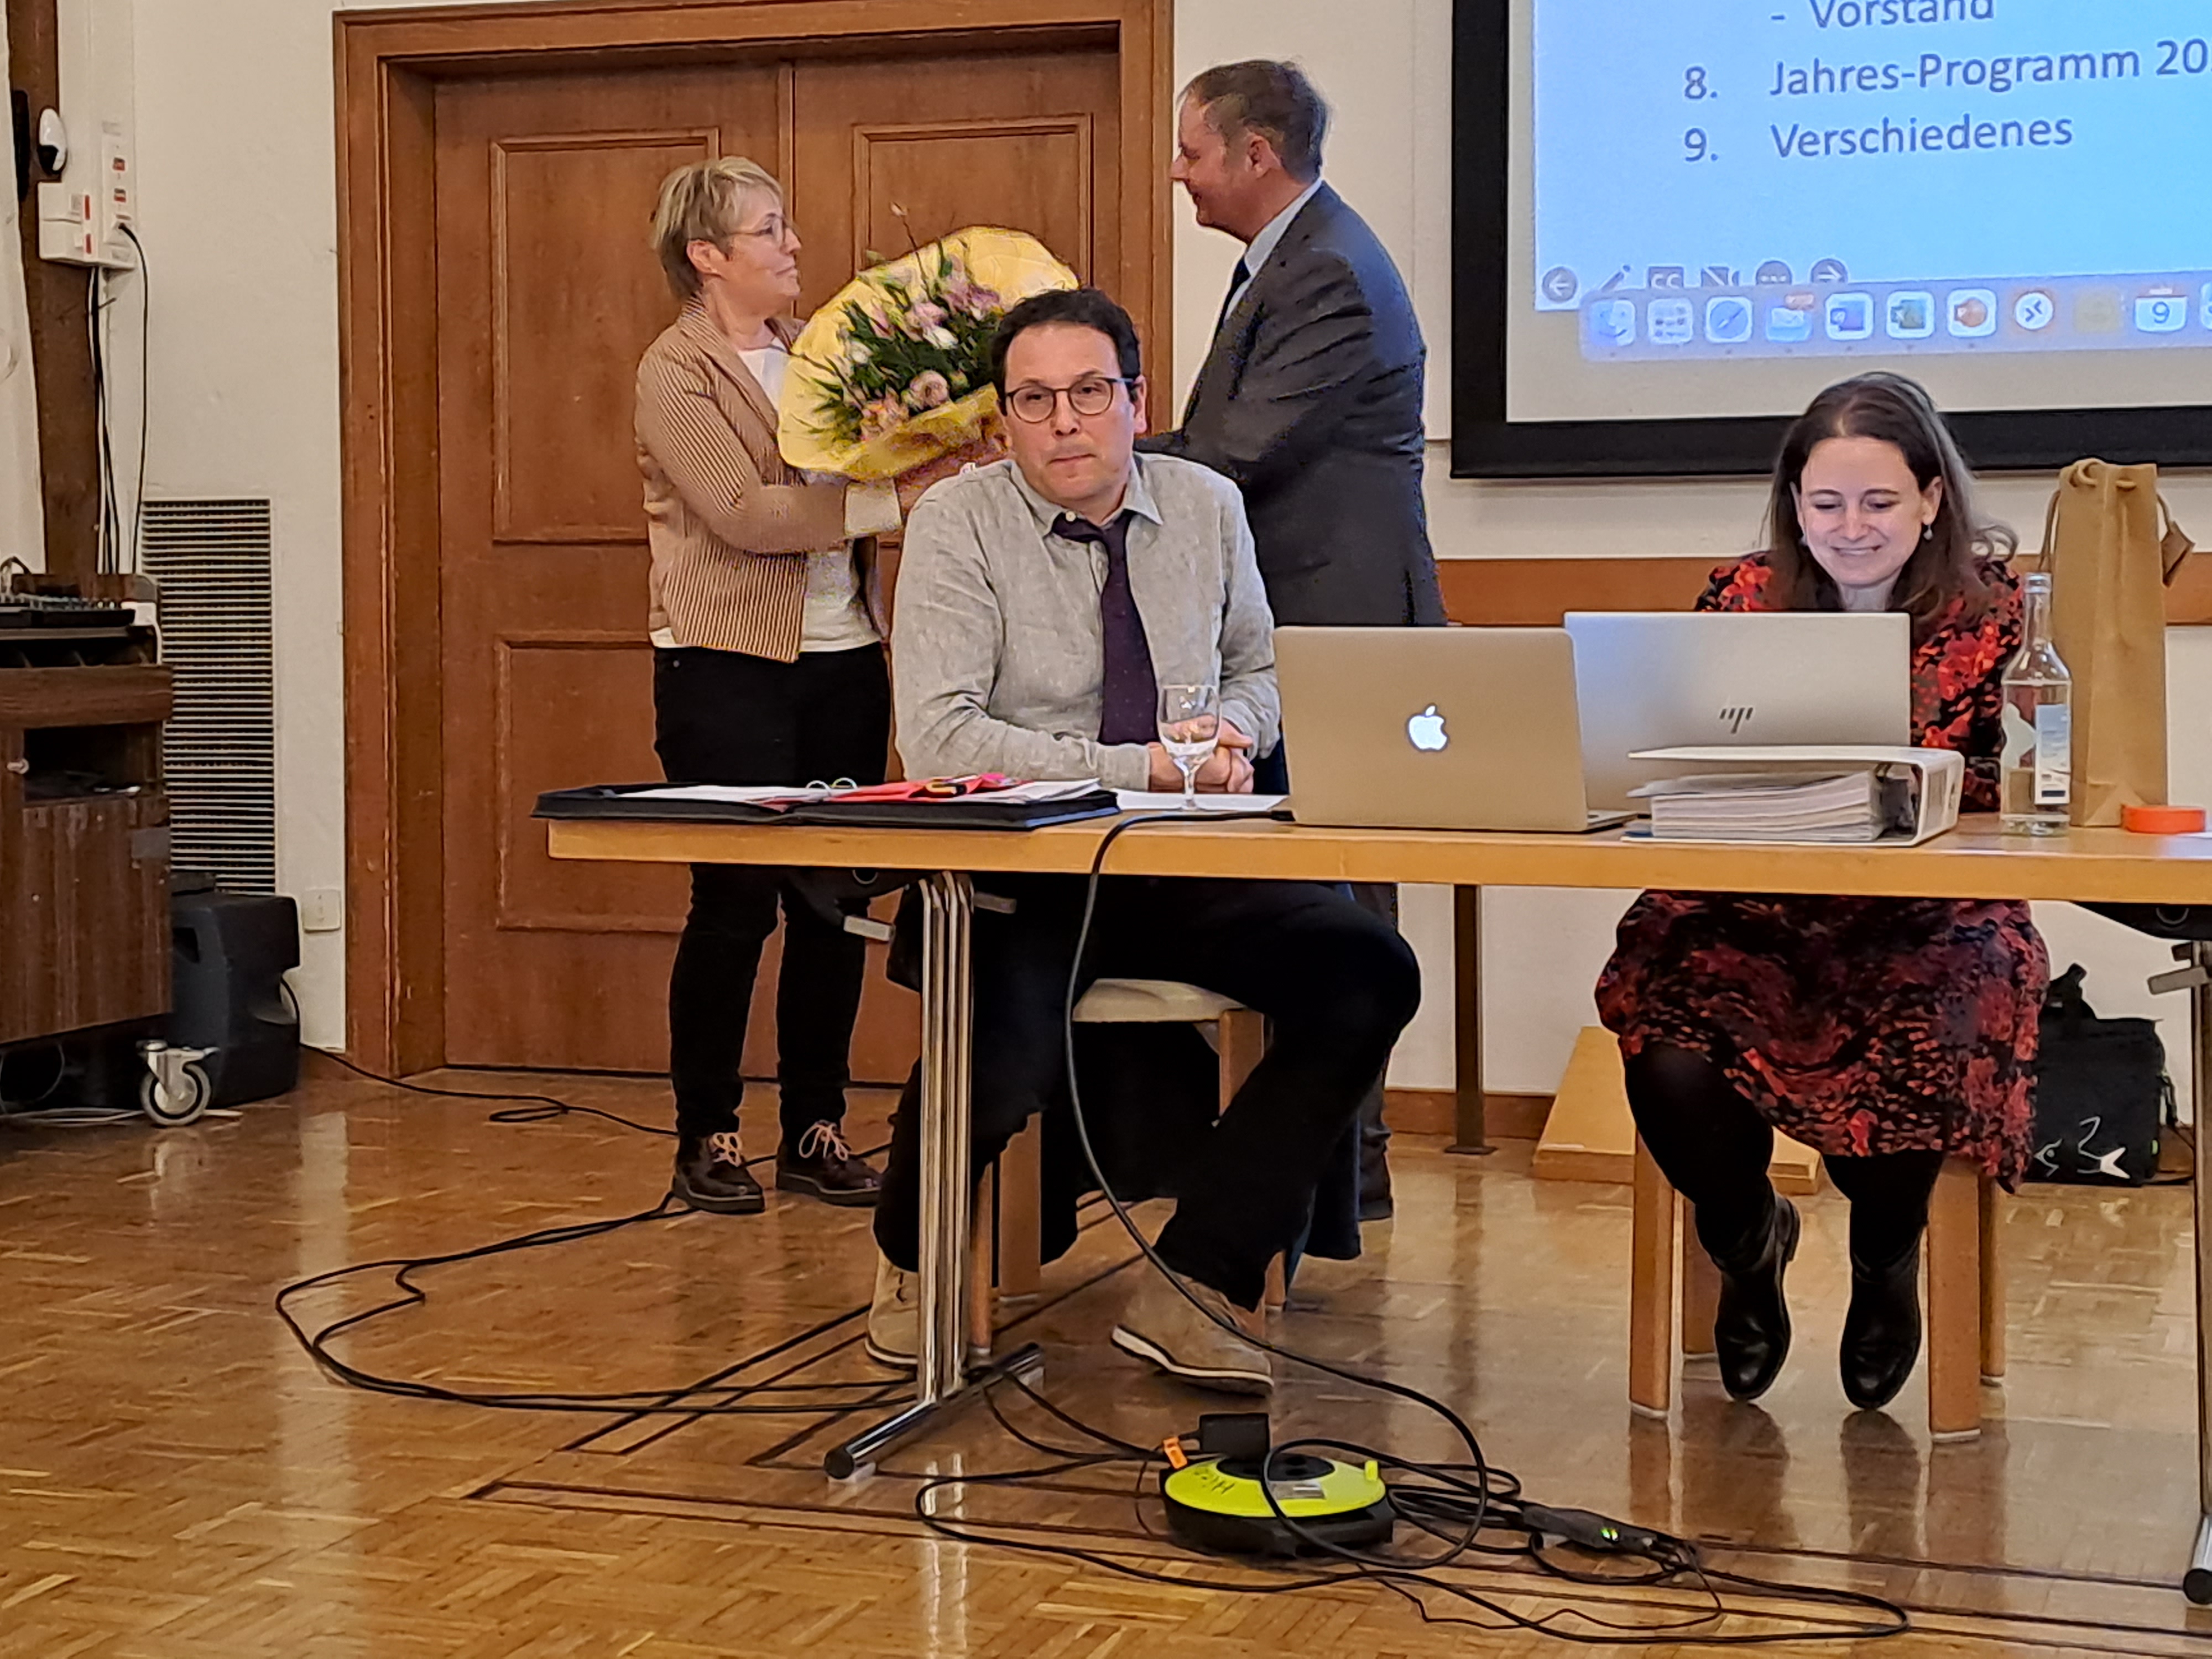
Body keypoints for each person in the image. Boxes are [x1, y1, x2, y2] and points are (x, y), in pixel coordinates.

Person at [870, 287, 1422, 1393]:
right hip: (1022, 869)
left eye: (1089, 393)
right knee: (999, 1054)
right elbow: (940, 738)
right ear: (1004, 418)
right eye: (1034, 401)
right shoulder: (956, 523)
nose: (1064, 422)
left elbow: (1260, 668)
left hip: (1182, 858)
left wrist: (1237, 731)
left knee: (1366, 972)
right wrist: (1147, 766)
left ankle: (1200, 1276)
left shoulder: (1207, 505)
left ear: (1137, 400)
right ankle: (911, 1256)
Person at [1595, 373, 2048, 1412]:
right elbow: (1678, 746)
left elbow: (2024, 784)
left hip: (1929, 914)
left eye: (1879, 502)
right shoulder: (1741, 599)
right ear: (1794, 506)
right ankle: (1747, 1241)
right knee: (1664, 1031)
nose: (1851, 528)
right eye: (1826, 503)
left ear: (1931, 498)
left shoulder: (1998, 617)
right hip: (1749, 903)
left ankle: (1887, 1257)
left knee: (1942, 1017)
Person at [1144, 60, 1444, 1215]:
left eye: (1191, 153)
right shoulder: (1290, 257)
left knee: (1339, 910)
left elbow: (1233, 454)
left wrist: (1083, 455)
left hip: (1344, 625)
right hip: (1299, 626)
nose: (1179, 174)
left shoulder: (1327, 273)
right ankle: (1310, 1175)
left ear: (1254, 154)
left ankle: (1337, 1177)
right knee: (1300, 897)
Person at [636, 157, 958, 1216]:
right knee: (734, 905)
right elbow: (742, 514)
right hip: (725, 665)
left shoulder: (823, 352)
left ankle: (815, 1129)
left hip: (844, 657)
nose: (793, 245)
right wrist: (896, 501)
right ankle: (708, 1134)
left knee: (834, 902)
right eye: (769, 230)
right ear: (707, 255)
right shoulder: (673, 371)